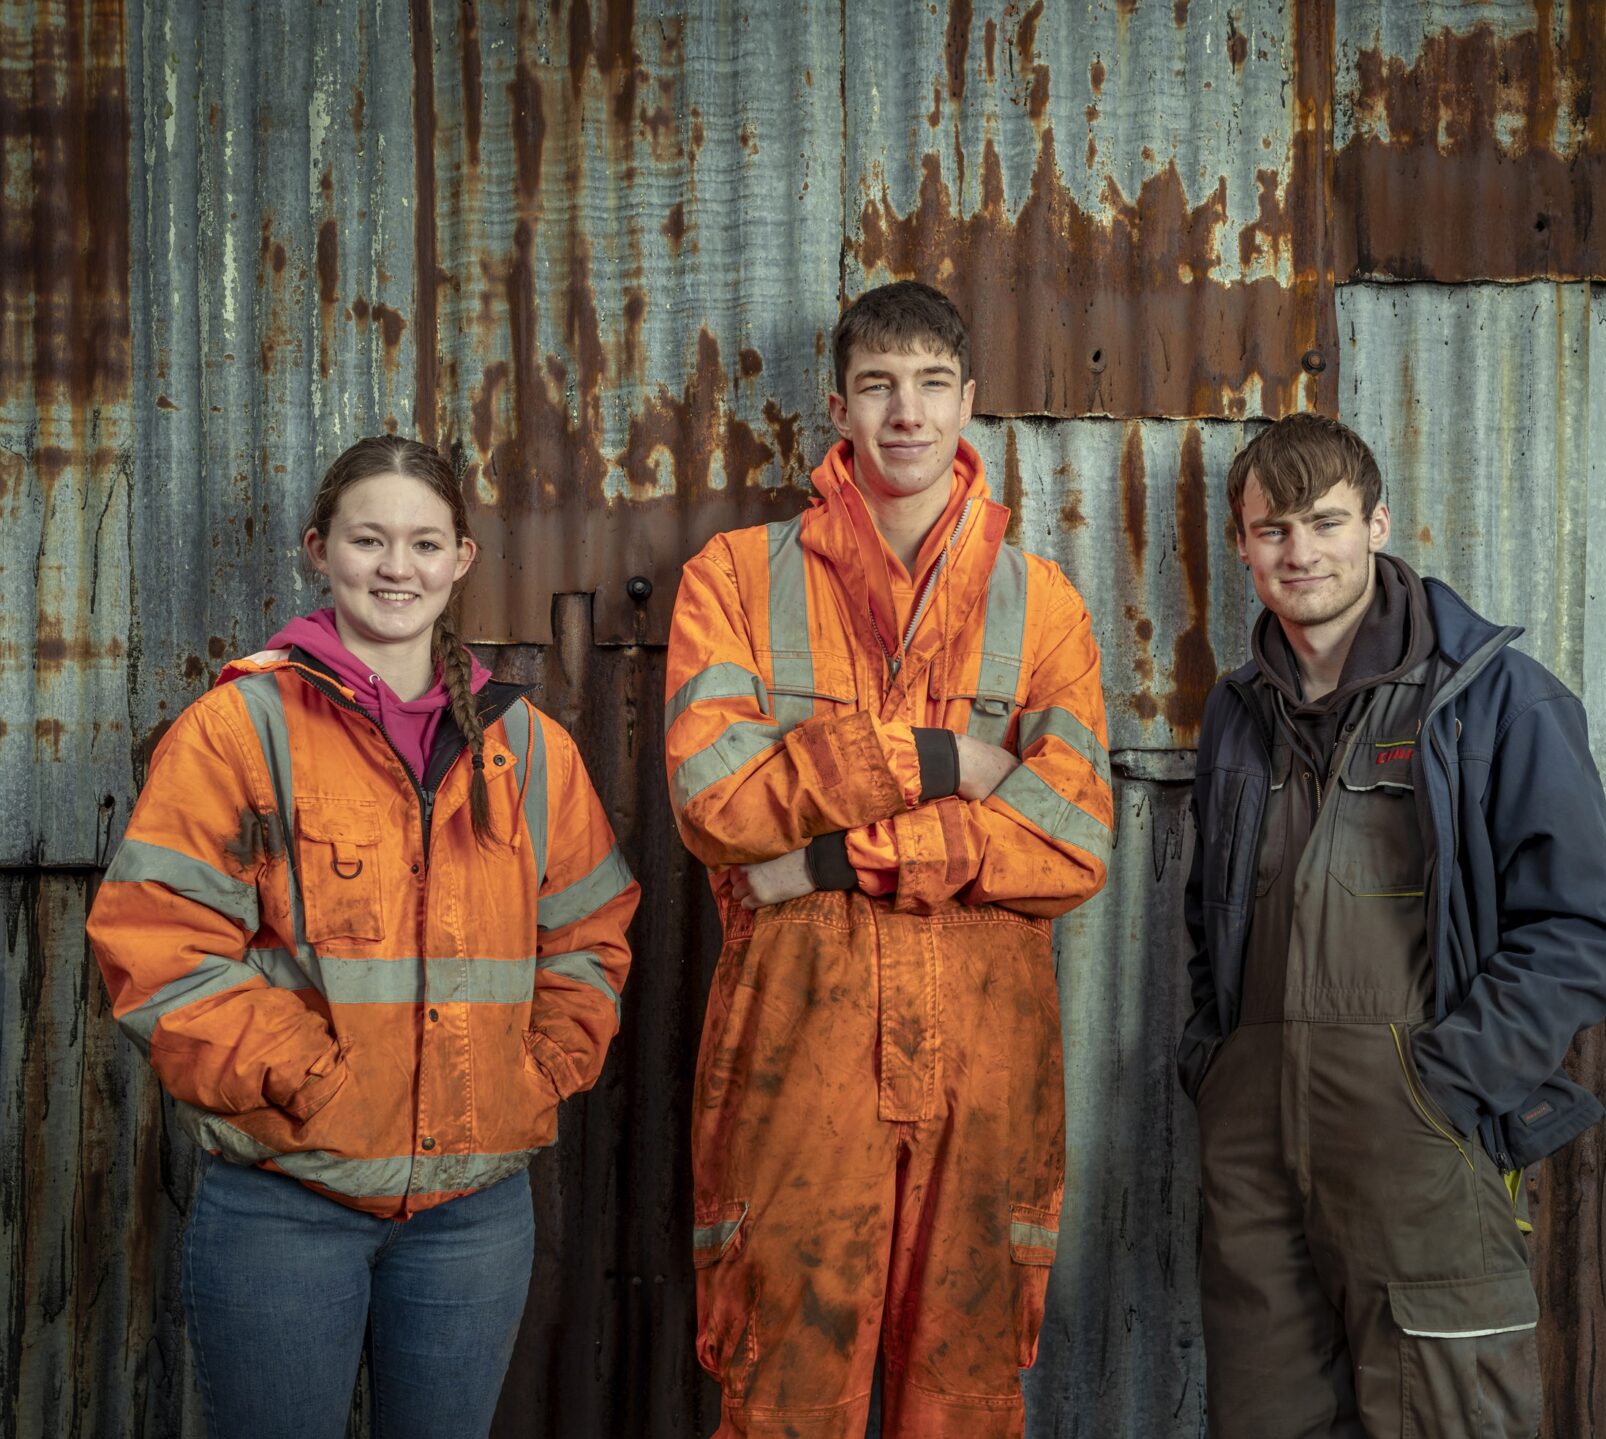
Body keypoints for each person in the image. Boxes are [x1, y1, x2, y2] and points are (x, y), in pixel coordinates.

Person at [86, 434, 640, 1439]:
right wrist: (307, 1079)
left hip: (473, 1213)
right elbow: (157, 944)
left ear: (461, 559)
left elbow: (590, 930)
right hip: (287, 1199)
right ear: (319, 549)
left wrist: (538, 1065)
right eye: (368, 539)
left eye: (425, 543)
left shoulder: (528, 749)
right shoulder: (239, 729)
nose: (397, 567)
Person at [665, 280, 1115, 1437]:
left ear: (967, 402)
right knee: (784, 1400)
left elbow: (1072, 845)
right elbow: (718, 808)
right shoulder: (736, 579)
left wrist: (831, 863)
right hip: (797, 1049)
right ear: (838, 407)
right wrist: (944, 758)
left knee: (964, 1401)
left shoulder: (1042, 603)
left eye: (930, 385)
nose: (905, 412)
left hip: (989, 1060)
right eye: (877, 386)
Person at [1178, 413, 1606, 1437]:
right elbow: (1210, 919)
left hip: (1420, 1133)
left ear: (1377, 524)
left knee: (1444, 1417)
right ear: (1242, 543)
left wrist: (1443, 1084)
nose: (1300, 551)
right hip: (1253, 1145)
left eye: (1326, 521)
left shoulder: (1494, 698)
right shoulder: (1237, 712)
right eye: (1273, 529)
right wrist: (1219, 1065)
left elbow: (1584, 929)